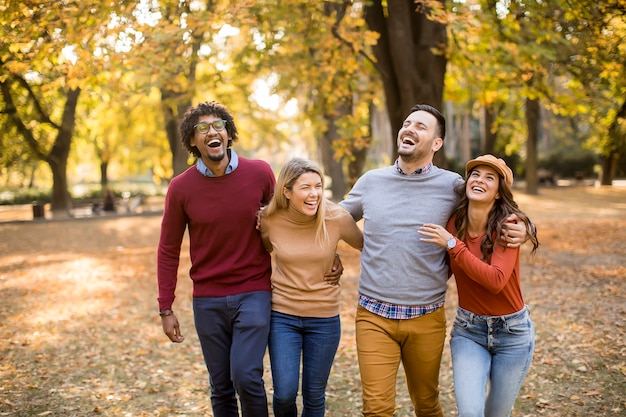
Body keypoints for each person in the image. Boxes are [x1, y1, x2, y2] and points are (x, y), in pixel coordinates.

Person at [338, 104, 533, 417]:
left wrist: (524, 227)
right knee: (376, 410)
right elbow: (337, 217)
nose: (410, 129)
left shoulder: (454, 185)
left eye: (421, 126)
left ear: (436, 143)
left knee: (427, 406)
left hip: (426, 315)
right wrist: (361, 245)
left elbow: (497, 202)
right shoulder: (371, 181)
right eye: (407, 123)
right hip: (374, 314)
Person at [156, 101, 344, 417]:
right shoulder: (180, 188)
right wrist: (165, 307)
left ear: (229, 134)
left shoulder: (259, 173)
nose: (211, 132)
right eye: (202, 128)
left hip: (254, 291)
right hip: (207, 299)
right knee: (221, 386)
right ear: (192, 141)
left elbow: (291, 219)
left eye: (218, 125)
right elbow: (168, 249)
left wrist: (329, 253)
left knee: (246, 375)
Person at [418, 155, 539, 417]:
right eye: (475, 174)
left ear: (498, 192)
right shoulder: (455, 224)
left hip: (512, 334)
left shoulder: (508, 226)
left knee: (496, 413)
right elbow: (445, 270)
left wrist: (453, 244)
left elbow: (495, 280)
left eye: (489, 177)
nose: (480, 180)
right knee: (470, 413)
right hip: (469, 331)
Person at [259, 158, 363, 417]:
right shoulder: (270, 220)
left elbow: (368, 247)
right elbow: (263, 252)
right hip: (283, 316)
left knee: (314, 394)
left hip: (324, 319)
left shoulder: (336, 217)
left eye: (318, 186)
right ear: (287, 191)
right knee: (284, 393)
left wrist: (337, 260)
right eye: (305, 187)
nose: (314, 194)